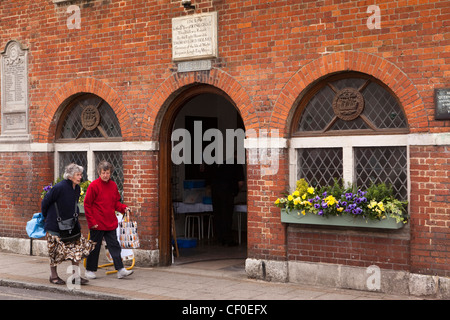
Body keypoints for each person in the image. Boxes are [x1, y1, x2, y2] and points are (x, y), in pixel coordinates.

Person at [41, 163, 95, 285]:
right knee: (54, 251)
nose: (80, 177)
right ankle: (53, 276)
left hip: (71, 224)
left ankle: (76, 276)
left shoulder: (77, 188)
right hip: (55, 224)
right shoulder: (59, 187)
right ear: (70, 176)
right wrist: (46, 217)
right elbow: (45, 202)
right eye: (78, 175)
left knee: (76, 250)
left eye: (81, 174)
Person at [84, 161, 133, 279]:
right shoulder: (94, 186)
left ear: (110, 173)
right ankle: (89, 270)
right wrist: (92, 222)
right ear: (99, 173)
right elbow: (87, 204)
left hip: (110, 221)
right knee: (94, 247)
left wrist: (124, 208)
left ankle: (120, 269)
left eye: (107, 173)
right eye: (103, 173)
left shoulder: (113, 185)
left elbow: (115, 202)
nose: (105, 175)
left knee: (114, 246)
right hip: (97, 223)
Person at [210, 155, 245, 246]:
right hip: (227, 192)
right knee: (227, 215)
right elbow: (240, 183)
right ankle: (227, 240)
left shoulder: (223, 164)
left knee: (218, 214)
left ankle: (220, 238)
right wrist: (237, 191)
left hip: (215, 191)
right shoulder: (238, 165)